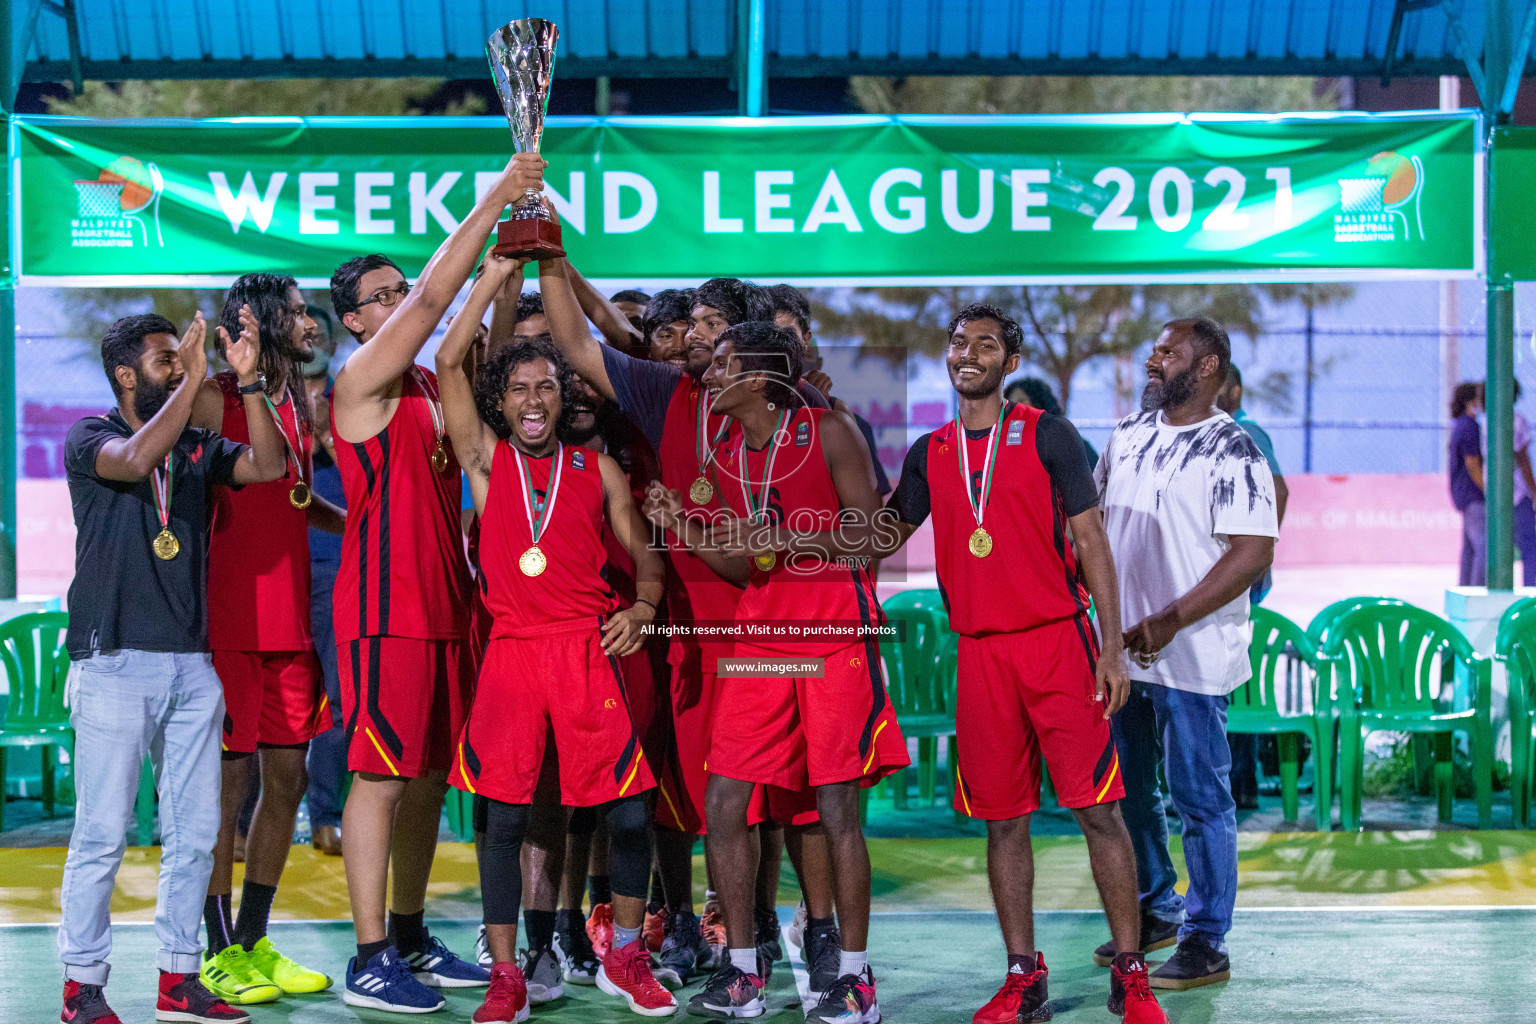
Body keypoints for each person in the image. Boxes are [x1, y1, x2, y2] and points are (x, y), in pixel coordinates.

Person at [870, 304, 1166, 1024]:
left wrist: (1110, 646)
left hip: (1058, 646)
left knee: (1100, 812)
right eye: (958, 342)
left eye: (986, 345)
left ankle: (1131, 974)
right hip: (980, 656)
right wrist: (791, 537)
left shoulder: (1048, 435)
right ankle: (1022, 976)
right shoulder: (929, 451)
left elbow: (1092, 542)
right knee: (1003, 822)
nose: (966, 353)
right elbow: (879, 534)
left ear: (1011, 363)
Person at [540, 268, 831, 984]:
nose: (692, 337)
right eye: (692, 322)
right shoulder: (667, 393)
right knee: (696, 789)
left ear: (745, 338)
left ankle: (798, 930)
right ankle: (711, 931)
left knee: (787, 795)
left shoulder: (802, 413)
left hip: (780, 624)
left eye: (708, 324)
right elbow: (578, 343)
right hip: (693, 628)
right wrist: (548, 257)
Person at [644, 321, 909, 1024]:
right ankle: (742, 972)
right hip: (764, 638)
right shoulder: (728, 452)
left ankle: (854, 977)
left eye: (725, 364)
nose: (709, 373)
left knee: (836, 808)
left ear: (761, 379)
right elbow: (744, 564)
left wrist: (794, 538)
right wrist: (684, 530)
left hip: (831, 636)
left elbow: (878, 534)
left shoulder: (827, 432)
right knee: (725, 801)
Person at [328, 153, 544, 1012]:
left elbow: (478, 351)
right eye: (379, 297)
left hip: (448, 604)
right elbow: (429, 305)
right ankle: (368, 954)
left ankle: (410, 934)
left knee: (425, 779)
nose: (399, 300)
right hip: (385, 611)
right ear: (352, 322)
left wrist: (509, 263)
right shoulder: (361, 383)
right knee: (380, 776)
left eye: (396, 291)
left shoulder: (426, 382)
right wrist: (498, 193)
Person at [435, 254, 675, 1020]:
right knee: (504, 820)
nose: (535, 400)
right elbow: (446, 357)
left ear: (560, 394)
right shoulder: (483, 461)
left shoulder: (598, 468)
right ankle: (508, 972)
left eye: (546, 386)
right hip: (512, 654)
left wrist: (643, 603)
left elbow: (644, 549)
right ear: (498, 403)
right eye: (519, 389)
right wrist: (497, 274)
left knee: (628, 812)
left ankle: (628, 955)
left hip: (583, 650)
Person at [58, 311, 286, 1024]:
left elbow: (270, 467)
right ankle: (81, 986)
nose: (178, 368)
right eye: (164, 361)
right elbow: (132, 462)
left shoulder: (193, 445)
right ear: (126, 376)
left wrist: (248, 380)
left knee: (197, 833)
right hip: (113, 658)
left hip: (191, 663)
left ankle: (178, 977)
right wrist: (194, 379)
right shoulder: (90, 436)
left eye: (178, 360)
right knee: (102, 832)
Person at [1095, 317, 1277, 992]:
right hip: (1123, 654)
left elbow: (1253, 550)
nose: (1153, 357)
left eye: (1168, 352)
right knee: (1131, 793)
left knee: (1200, 799)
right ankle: (1153, 910)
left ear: (1205, 368)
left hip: (1193, 657)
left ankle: (1207, 939)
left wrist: (1171, 618)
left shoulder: (1233, 448)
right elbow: (1095, 529)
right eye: (1154, 348)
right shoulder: (1128, 435)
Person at [187, 274, 342, 1006]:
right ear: (261, 321)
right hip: (229, 627)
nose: (311, 322)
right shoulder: (214, 395)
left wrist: (351, 523)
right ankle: (216, 949)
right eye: (301, 312)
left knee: (291, 781)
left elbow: (289, 493)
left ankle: (252, 938)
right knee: (228, 791)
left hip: (289, 627)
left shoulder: (295, 400)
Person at [1215, 364, 1290, 810]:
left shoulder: (1246, 431)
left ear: (1235, 389)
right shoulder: (1221, 431)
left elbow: (1278, 490)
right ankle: (1238, 784)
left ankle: (1240, 782)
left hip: (1237, 581)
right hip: (1228, 579)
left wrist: (1255, 556)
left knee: (1232, 679)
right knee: (1228, 679)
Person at [302, 307, 348, 858]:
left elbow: (373, 481)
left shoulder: (354, 397)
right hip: (276, 570)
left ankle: (325, 814)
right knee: (269, 697)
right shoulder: (261, 402)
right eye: (302, 333)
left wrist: (327, 437)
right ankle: (243, 823)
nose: (310, 341)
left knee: (338, 697)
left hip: (338, 566)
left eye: (319, 334)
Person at [1004, 376, 1099, 470]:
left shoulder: (1067, 441)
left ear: (1039, 402)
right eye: (1010, 403)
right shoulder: (1012, 442)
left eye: (1021, 400)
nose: (1015, 408)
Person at [1449, 381, 1486, 587]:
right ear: (1470, 402)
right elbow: (1472, 463)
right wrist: (1488, 490)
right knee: (1483, 547)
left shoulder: (1460, 425)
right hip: (1473, 495)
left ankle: (1466, 589)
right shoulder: (1470, 427)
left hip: (1464, 494)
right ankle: (1478, 591)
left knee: (1470, 548)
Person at [1513, 382, 1536, 586]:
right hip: (1519, 495)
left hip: (1495, 497)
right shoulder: (1517, 421)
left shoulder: (1486, 422)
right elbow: (1523, 459)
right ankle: (1531, 594)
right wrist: (1534, 491)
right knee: (1530, 548)